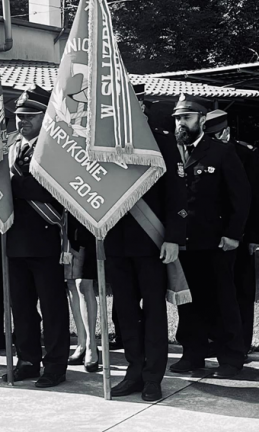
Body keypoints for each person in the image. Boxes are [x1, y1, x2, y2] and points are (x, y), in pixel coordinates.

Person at [105, 85, 186, 401]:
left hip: (151, 241)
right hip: (116, 240)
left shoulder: (161, 139)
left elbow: (176, 192)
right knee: (125, 311)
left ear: (141, 105)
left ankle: (153, 376)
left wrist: (174, 238)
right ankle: (134, 371)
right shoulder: (105, 142)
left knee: (152, 310)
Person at [171, 96, 250, 378]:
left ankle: (230, 357)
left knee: (222, 300)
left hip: (216, 242)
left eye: (187, 117)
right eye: (178, 118)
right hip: (183, 242)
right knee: (188, 301)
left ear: (202, 120)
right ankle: (193, 354)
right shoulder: (171, 153)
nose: (181, 123)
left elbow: (240, 197)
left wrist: (233, 234)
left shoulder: (221, 152)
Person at [2, 86, 69, 388]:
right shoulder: (10, 146)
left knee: (52, 308)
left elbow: (50, 189)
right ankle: (27, 359)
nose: (22, 121)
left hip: (46, 239)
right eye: (18, 116)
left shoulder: (54, 147)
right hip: (14, 239)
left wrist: (8, 185)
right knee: (22, 307)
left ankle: (55, 365)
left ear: (44, 116)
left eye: (30, 115)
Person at [204, 109, 259, 361]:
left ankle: (242, 343)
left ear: (226, 131)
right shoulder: (204, 153)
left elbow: (255, 198)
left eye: (216, 135)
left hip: (243, 234)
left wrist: (254, 236)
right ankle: (217, 340)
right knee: (217, 291)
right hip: (214, 233)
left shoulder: (247, 154)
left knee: (242, 291)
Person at [65, 220, 99, 373]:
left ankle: (92, 344)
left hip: (90, 226)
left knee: (84, 285)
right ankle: (81, 343)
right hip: (68, 228)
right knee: (71, 283)